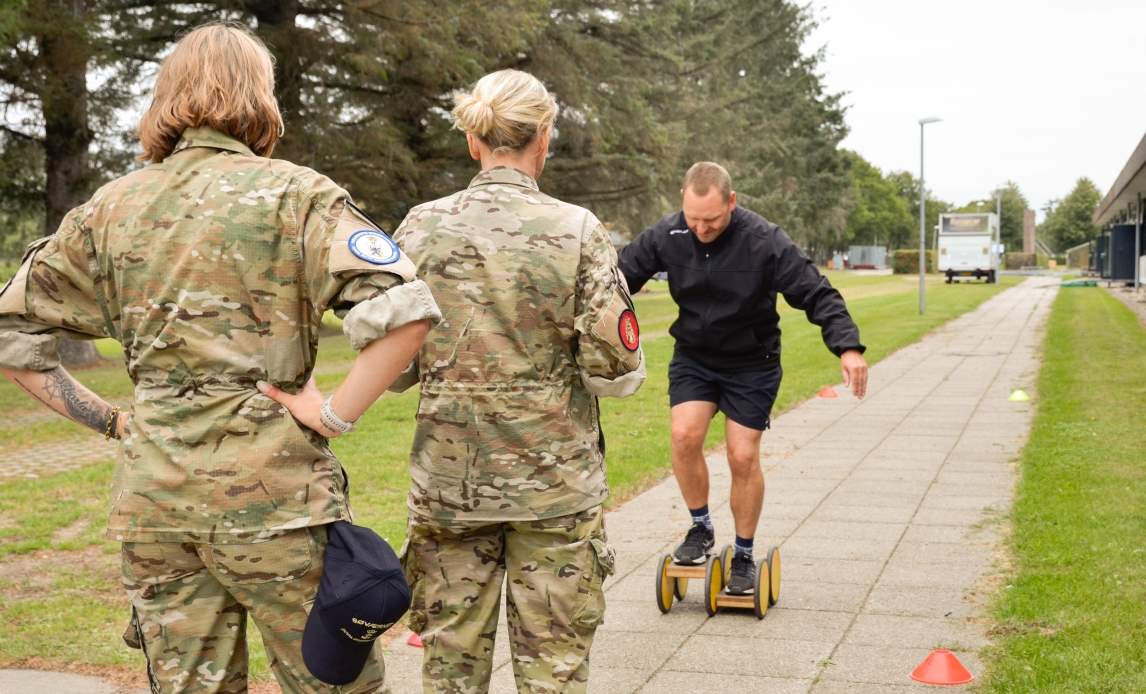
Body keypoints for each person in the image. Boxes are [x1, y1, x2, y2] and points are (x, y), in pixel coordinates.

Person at [0, 23, 440, 693]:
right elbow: (407, 314)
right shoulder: (299, 196)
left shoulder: (109, 210)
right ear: (260, 96)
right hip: (279, 509)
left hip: (158, 513)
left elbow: (12, 336)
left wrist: (113, 422)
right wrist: (334, 414)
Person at [391, 69, 645, 693]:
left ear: (474, 142)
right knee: (552, 673)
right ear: (545, 137)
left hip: (450, 485)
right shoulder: (579, 230)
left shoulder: (419, 228)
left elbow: (393, 367)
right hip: (554, 488)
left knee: (450, 668)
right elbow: (615, 365)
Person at [619, 162, 867, 595]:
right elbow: (616, 279)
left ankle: (746, 554)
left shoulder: (764, 241)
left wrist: (847, 346)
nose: (701, 229)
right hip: (695, 356)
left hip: (753, 361)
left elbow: (815, 292)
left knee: (742, 454)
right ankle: (700, 528)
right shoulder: (669, 233)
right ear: (683, 201)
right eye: (693, 218)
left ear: (732, 202)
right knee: (683, 435)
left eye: (712, 219)